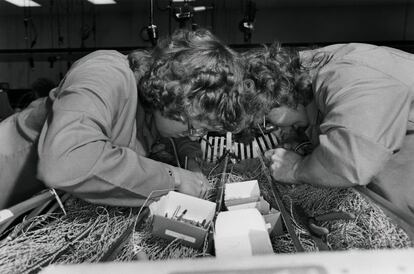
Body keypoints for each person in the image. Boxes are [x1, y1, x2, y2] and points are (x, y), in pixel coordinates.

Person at [0, 28, 244, 208]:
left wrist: (191, 161)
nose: (193, 135)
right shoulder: (105, 74)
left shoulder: (153, 107)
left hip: (40, 203)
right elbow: (66, 161)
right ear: (173, 96)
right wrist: (174, 178)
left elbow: (177, 137)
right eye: (193, 126)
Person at [243, 42, 414, 216]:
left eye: (267, 122)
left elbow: (350, 163)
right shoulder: (311, 82)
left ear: (276, 94)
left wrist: (295, 169)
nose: (277, 129)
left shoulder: (345, 76)